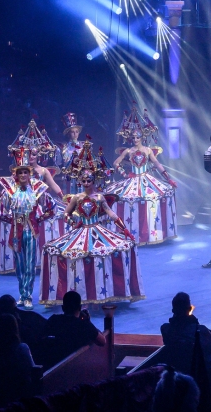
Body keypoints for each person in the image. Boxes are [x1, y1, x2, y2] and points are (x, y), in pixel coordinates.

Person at [41, 147, 145, 305]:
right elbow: (65, 214)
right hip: (81, 232)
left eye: (89, 181)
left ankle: (102, 292)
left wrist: (123, 229)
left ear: (94, 180)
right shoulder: (76, 197)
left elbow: (111, 214)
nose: (86, 183)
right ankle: (85, 293)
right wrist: (74, 222)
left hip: (97, 231)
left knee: (103, 255)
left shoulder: (99, 197)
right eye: (84, 181)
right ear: (80, 181)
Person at [0, 121, 66, 275]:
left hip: (39, 205)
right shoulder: (18, 172)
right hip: (22, 205)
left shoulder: (43, 170)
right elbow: (12, 189)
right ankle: (19, 264)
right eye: (27, 153)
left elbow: (53, 186)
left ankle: (39, 263)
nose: (30, 156)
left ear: (38, 154)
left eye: (33, 154)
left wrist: (64, 198)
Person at [0, 147, 59, 308]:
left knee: (29, 265)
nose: (23, 175)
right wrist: (11, 219)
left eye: (25, 172)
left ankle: (28, 295)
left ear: (29, 174)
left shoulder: (37, 189)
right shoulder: (9, 190)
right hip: (16, 232)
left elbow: (52, 207)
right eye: (20, 172)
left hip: (31, 231)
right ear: (16, 174)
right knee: (19, 266)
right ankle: (22, 294)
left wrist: (39, 218)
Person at [108, 104, 177, 245]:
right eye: (133, 137)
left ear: (142, 137)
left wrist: (168, 179)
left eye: (137, 136)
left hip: (146, 179)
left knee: (152, 198)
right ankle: (135, 233)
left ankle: (151, 234)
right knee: (129, 200)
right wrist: (125, 174)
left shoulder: (148, 150)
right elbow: (116, 163)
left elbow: (157, 164)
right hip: (133, 179)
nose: (135, 139)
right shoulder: (128, 151)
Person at [160, 292, 211, 373]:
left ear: (173, 310)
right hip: (200, 374)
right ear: (190, 309)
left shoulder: (165, 329)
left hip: (177, 373)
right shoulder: (202, 330)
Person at [45, 291, 106, 363]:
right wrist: (88, 321)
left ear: (63, 308)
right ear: (80, 308)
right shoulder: (84, 325)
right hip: (79, 365)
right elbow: (102, 341)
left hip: (54, 362)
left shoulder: (54, 320)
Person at [57, 112, 84, 193]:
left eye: (77, 131)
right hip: (68, 178)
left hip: (82, 178)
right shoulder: (63, 148)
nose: (75, 134)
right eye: (72, 132)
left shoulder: (84, 146)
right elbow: (59, 164)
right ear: (68, 133)